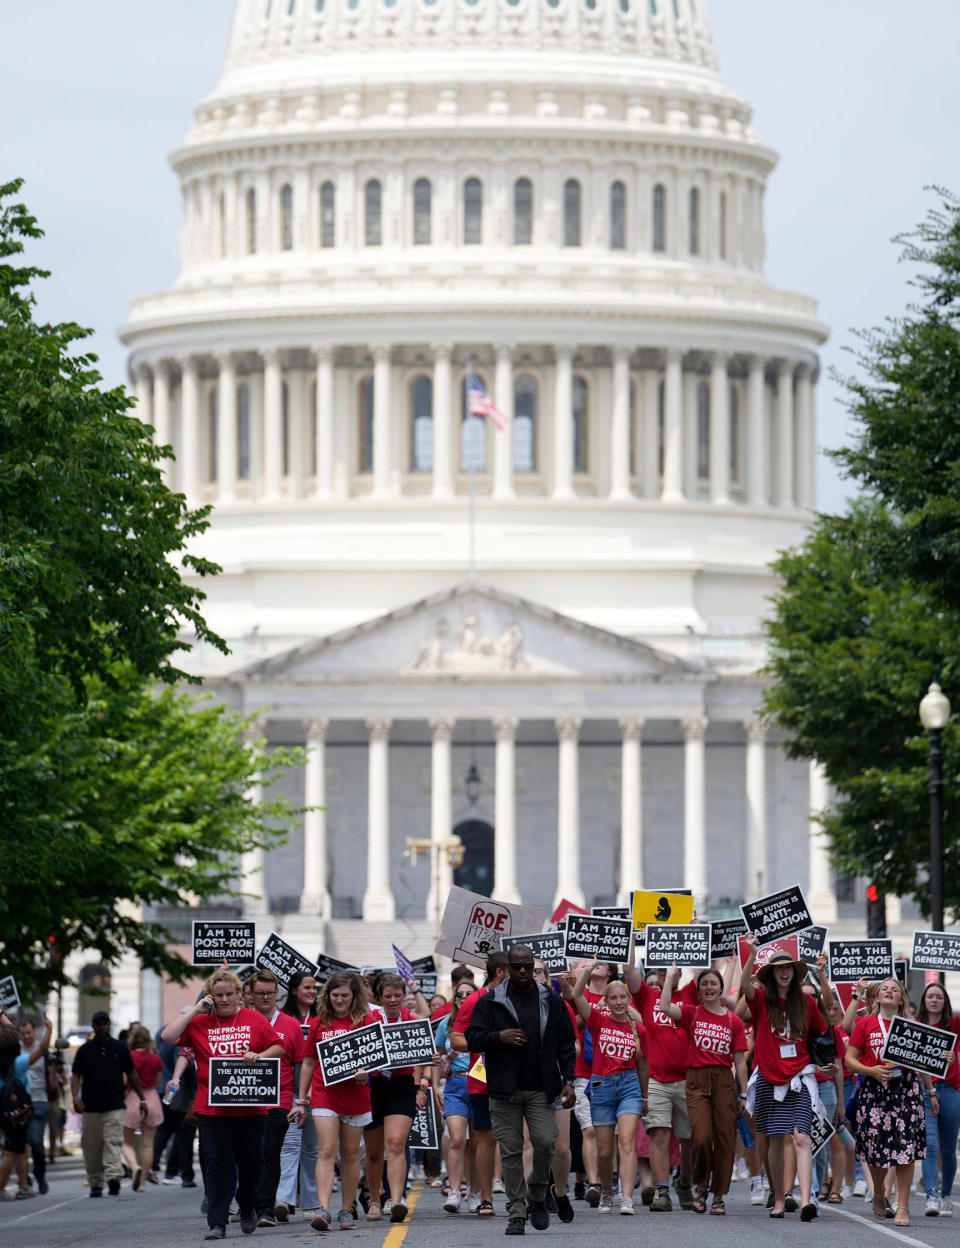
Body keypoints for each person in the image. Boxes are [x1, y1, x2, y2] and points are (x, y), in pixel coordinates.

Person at [160, 967, 284, 1241]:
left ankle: (248, 1205)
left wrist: (259, 1055)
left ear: (240, 995)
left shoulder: (254, 1019)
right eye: (219, 995)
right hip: (213, 1110)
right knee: (217, 1164)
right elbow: (168, 1037)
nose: (225, 999)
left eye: (229, 994)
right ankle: (217, 1221)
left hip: (251, 1107)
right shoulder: (200, 1022)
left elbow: (279, 1047)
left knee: (252, 1163)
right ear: (210, 997)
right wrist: (195, 1010)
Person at [466, 944, 576, 1236]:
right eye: (518, 967)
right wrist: (498, 1037)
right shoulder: (490, 1002)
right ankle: (517, 1212)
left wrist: (568, 1079)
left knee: (545, 1142)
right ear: (507, 969)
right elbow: (472, 1039)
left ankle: (538, 1195)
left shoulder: (550, 1000)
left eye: (528, 965)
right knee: (511, 1152)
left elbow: (566, 1042)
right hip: (504, 1089)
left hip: (541, 1087)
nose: (525, 971)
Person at [741, 936, 826, 1222]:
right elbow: (743, 989)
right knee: (775, 1140)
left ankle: (805, 1201)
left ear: (794, 971)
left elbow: (823, 1034)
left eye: (788, 967)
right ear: (771, 974)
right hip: (768, 1076)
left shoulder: (808, 1003)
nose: (784, 971)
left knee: (801, 1137)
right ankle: (779, 1198)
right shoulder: (762, 1002)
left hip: (800, 1077)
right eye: (778, 968)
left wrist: (828, 1063)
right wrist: (752, 956)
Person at [290, 970, 379, 1233]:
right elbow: (308, 1061)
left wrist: (367, 1071)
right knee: (326, 1150)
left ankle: (346, 1209)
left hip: (356, 1097)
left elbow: (376, 1058)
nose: (339, 1000)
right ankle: (323, 1209)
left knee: (351, 1155)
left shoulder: (366, 1020)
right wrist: (302, 1098)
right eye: (335, 995)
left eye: (345, 995)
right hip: (324, 1095)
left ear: (354, 997)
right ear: (328, 996)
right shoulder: (320, 1022)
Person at [659, 963, 748, 1215]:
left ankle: (719, 1195)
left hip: (724, 1081)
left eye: (713, 984)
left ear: (721, 988)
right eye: (704, 984)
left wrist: (743, 1094)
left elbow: (740, 1060)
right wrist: (669, 976)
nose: (709, 988)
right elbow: (664, 1007)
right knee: (699, 1138)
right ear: (699, 989)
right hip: (697, 1080)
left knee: (725, 1140)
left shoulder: (734, 1021)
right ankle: (701, 1186)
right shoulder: (692, 1013)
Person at [845, 977, 933, 1227]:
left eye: (895, 989)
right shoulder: (866, 1023)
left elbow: (926, 1062)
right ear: (877, 996)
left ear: (901, 998)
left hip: (906, 1090)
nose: (889, 992)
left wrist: (941, 1061)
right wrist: (870, 1070)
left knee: (905, 1151)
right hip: (874, 1090)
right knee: (874, 1150)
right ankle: (880, 1192)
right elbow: (850, 1059)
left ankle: (902, 1205)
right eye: (885, 989)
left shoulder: (913, 1024)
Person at [564, 961, 648, 1214]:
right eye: (614, 998)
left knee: (626, 1141)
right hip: (601, 1087)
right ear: (607, 1001)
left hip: (630, 1086)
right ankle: (606, 1192)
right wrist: (587, 972)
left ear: (629, 1000)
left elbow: (643, 1066)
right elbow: (577, 995)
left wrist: (644, 1096)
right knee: (604, 1151)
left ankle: (626, 1198)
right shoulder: (598, 1020)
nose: (619, 1002)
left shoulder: (639, 1030)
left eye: (623, 997)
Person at [624, 963, 696, 1211]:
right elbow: (627, 971)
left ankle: (685, 1184)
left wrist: (695, 932)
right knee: (659, 1135)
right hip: (656, 1079)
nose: (666, 973)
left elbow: (705, 971)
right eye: (661, 970)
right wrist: (632, 934)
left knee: (689, 1138)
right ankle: (662, 1190)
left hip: (687, 1079)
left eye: (670, 970)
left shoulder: (689, 993)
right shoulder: (648, 995)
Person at [363, 972, 430, 1223]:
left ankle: (397, 1199)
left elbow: (424, 1044)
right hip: (373, 1086)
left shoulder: (411, 1019)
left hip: (402, 1086)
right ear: (379, 998)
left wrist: (425, 1071)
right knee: (373, 1151)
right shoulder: (368, 1020)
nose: (393, 1000)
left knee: (396, 1143)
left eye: (398, 996)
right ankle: (374, 1199)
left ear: (404, 996)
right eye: (388, 996)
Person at [245, 969, 305, 1228]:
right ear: (251, 995)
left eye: (270, 993)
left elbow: (301, 1064)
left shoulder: (290, 1024)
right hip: (245, 1101)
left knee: (270, 1153)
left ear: (277, 993)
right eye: (261, 993)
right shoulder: (240, 1022)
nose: (266, 997)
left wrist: (301, 1101)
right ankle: (248, 1203)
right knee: (249, 1155)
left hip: (279, 1099)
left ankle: (266, 1208)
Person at [452, 952, 510, 1216]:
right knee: (484, 1137)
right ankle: (485, 1198)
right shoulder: (474, 1000)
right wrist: (490, 1041)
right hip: (482, 1077)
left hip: (516, 1076)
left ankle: (522, 1197)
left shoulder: (520, 998)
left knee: (517, 1139)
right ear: (500, 971)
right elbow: (456, 1039)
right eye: (514, 969)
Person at [72, 1010, 147, 1199]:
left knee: (112, 1141)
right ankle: (96, 1182)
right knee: (92, 1146)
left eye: (105, 1023)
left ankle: (113, 1176)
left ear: (109, 1025)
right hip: (91, 1106)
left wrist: (142, 1098)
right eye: (98, 1023)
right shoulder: (84, 1050)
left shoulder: (120, 1048)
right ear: (93, 1026)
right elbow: (76, 1075)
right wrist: (75, 1096)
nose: (102, 1026)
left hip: (115, 1105)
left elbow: (131, 1073)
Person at [275, 970, 320, 1222]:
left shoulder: (322, 1019)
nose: (312, 991)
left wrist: (310, 1094)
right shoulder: (282, 1019)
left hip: (317, 1092)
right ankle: (283, 1199)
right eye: (307, 987)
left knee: (312, 1148)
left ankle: (311, 1204)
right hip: (288, 1091)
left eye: (314, 987)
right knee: (290, 1145)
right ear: (294, 990)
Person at [533, 959, 575, 1223]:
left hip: (556, 1081)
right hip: (527, 1083)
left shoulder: (558, 1004)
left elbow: (574, 1046)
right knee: (531, 1145)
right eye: (528, 969)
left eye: (538, 970)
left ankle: (559, 1192)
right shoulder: (512, 1002)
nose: (532, 974)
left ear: (547, 977)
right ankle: (532, 1200)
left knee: (560, 1148)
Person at [916, 982, 960, 1216]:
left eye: (939, 997)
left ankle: (946, 1196)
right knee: (929, 1145)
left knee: (949, 1148)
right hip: (925, 1091)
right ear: (924, 1000)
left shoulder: (954, 1025)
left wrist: (954, 1056)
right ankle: (931, 1194)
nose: (934, 1000)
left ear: (945, 1002)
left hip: (951, 1090)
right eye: (930, 996)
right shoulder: (915, 1026)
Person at [0, 1011, 51, 1199]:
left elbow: (10, 1033)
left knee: (21, 1148)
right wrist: (50, 1030)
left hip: (5, 1107)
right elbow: (42, 1050)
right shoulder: (18, 1063)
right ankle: (0, 1188)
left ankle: (23, 1186)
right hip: (14, 1110)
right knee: (10, 1150)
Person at [435, 981, 475, 1213]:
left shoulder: (482, 1020)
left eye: (468, 993)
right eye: (459, 994)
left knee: (475, 1144)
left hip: (480, 1083)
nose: (463, 997)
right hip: (455, 1084)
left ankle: (473, 1192)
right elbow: (436, 1057)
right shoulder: (444, 1025)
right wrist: (434, 1086)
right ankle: (453, 1191)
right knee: (457, 1139)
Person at [120, 1025, 165, 1191]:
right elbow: (158, 1082)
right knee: (148, 1144)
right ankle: (143, 1182)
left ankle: (134, 1167)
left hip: (132, 1098)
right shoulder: (155, 1059)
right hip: (151, 1098)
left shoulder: (128, 1057)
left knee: (126, 1142)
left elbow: (125, 1080)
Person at [17, 1014, 50, 1195]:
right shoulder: (16, 1050)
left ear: (34, 1031)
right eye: (23, 1034)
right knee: (21, 1143)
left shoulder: (42, 1049)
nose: (27, 1036)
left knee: (36, 1141)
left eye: (29, 1032)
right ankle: (24, 1177)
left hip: (38, 1100)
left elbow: (51, 1075)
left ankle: (40, 1175)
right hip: (20, 1103)